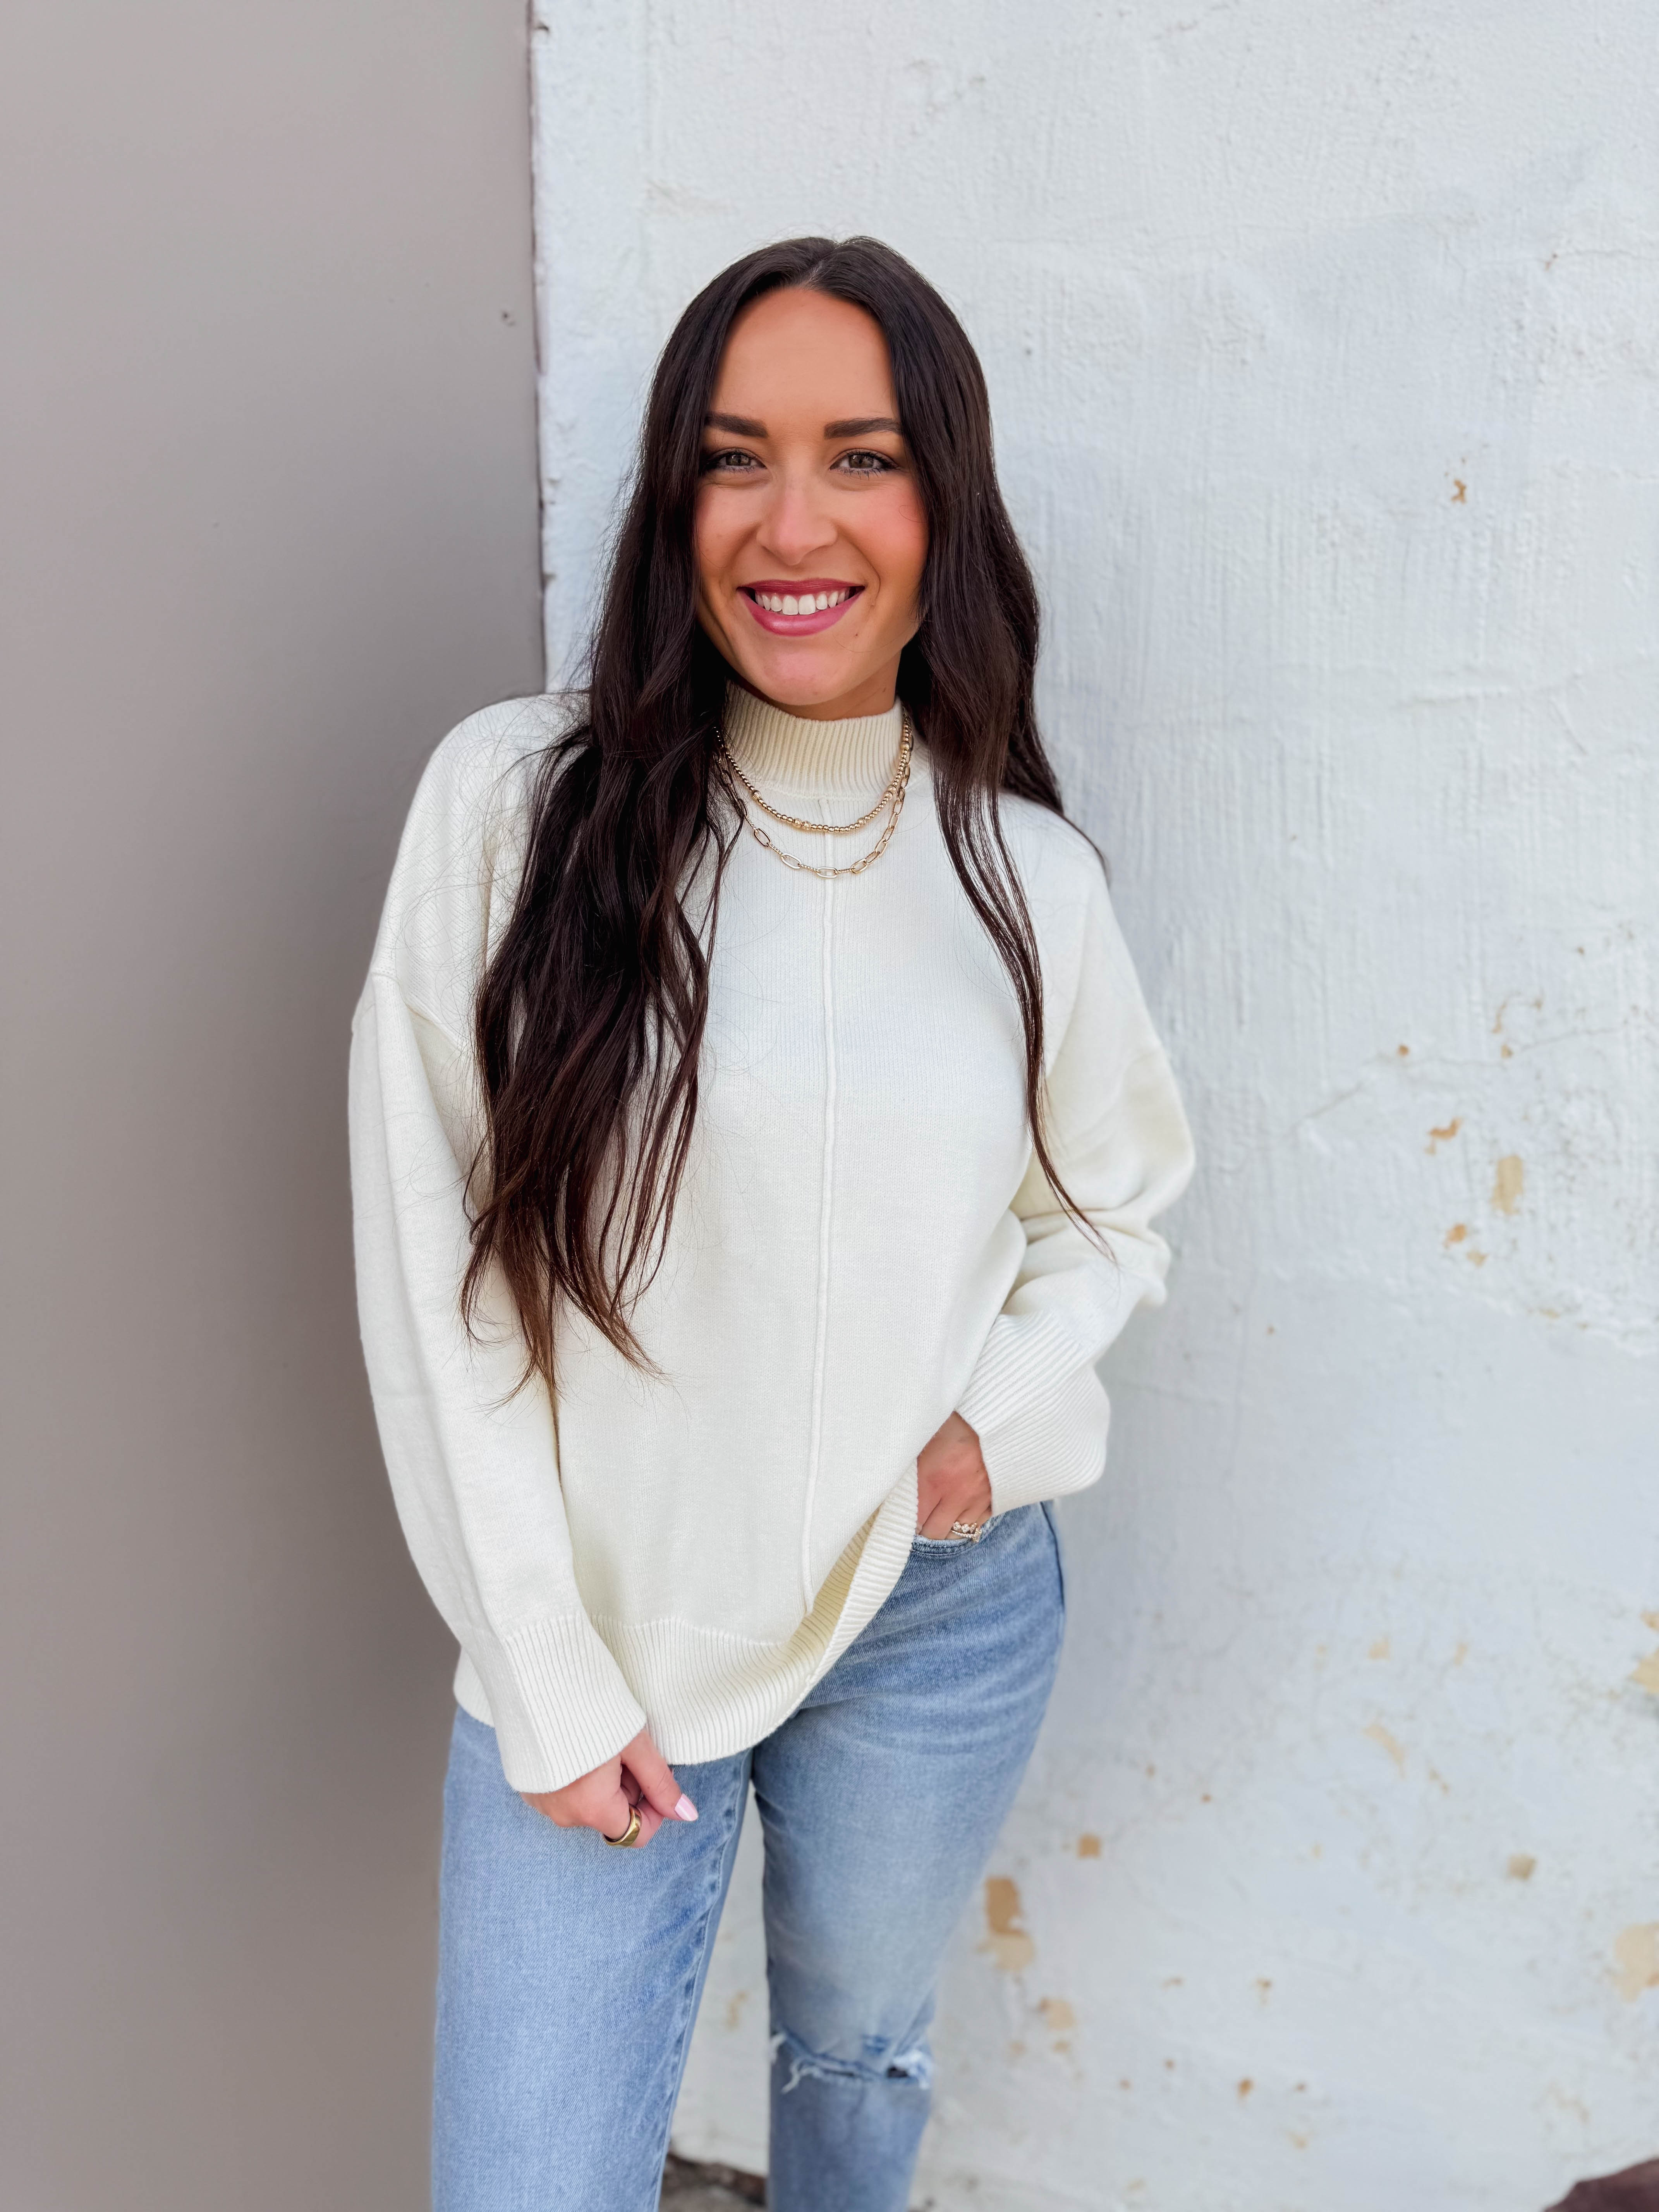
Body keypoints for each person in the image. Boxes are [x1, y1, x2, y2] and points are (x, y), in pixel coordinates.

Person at [349, 235, 1194, 2212]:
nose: (791, 523)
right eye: (736, 458)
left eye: (860, 458)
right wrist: (546, 1670)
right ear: (674, 498)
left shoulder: (1024, 878)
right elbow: (437, 1262)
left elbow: (1115, 1207)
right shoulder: (515, 806)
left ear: (942, 508)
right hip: (613, 1623)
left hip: (934, 1610)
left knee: (857, 2049)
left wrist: (990, 1418)